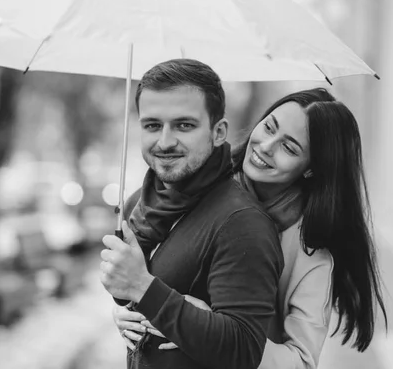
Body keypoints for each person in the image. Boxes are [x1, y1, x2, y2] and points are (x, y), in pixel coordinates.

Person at [114, 88, 388, 369]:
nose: (266, 146)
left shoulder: (310, 253)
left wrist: (207, 329)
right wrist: (131, 309)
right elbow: (155, 276)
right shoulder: (203, 185)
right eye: (269, 127)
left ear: (311, 169)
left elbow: (302, 361)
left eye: (289, 147)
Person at [99, 58, 284, 369]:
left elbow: (243, 350)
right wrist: (127, 305)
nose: (165, 141)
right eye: (152, 125)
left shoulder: (241, 222)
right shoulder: (138, 205)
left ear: (218, 132)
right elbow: (138, 296)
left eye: (184, 125)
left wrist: (143, 288)